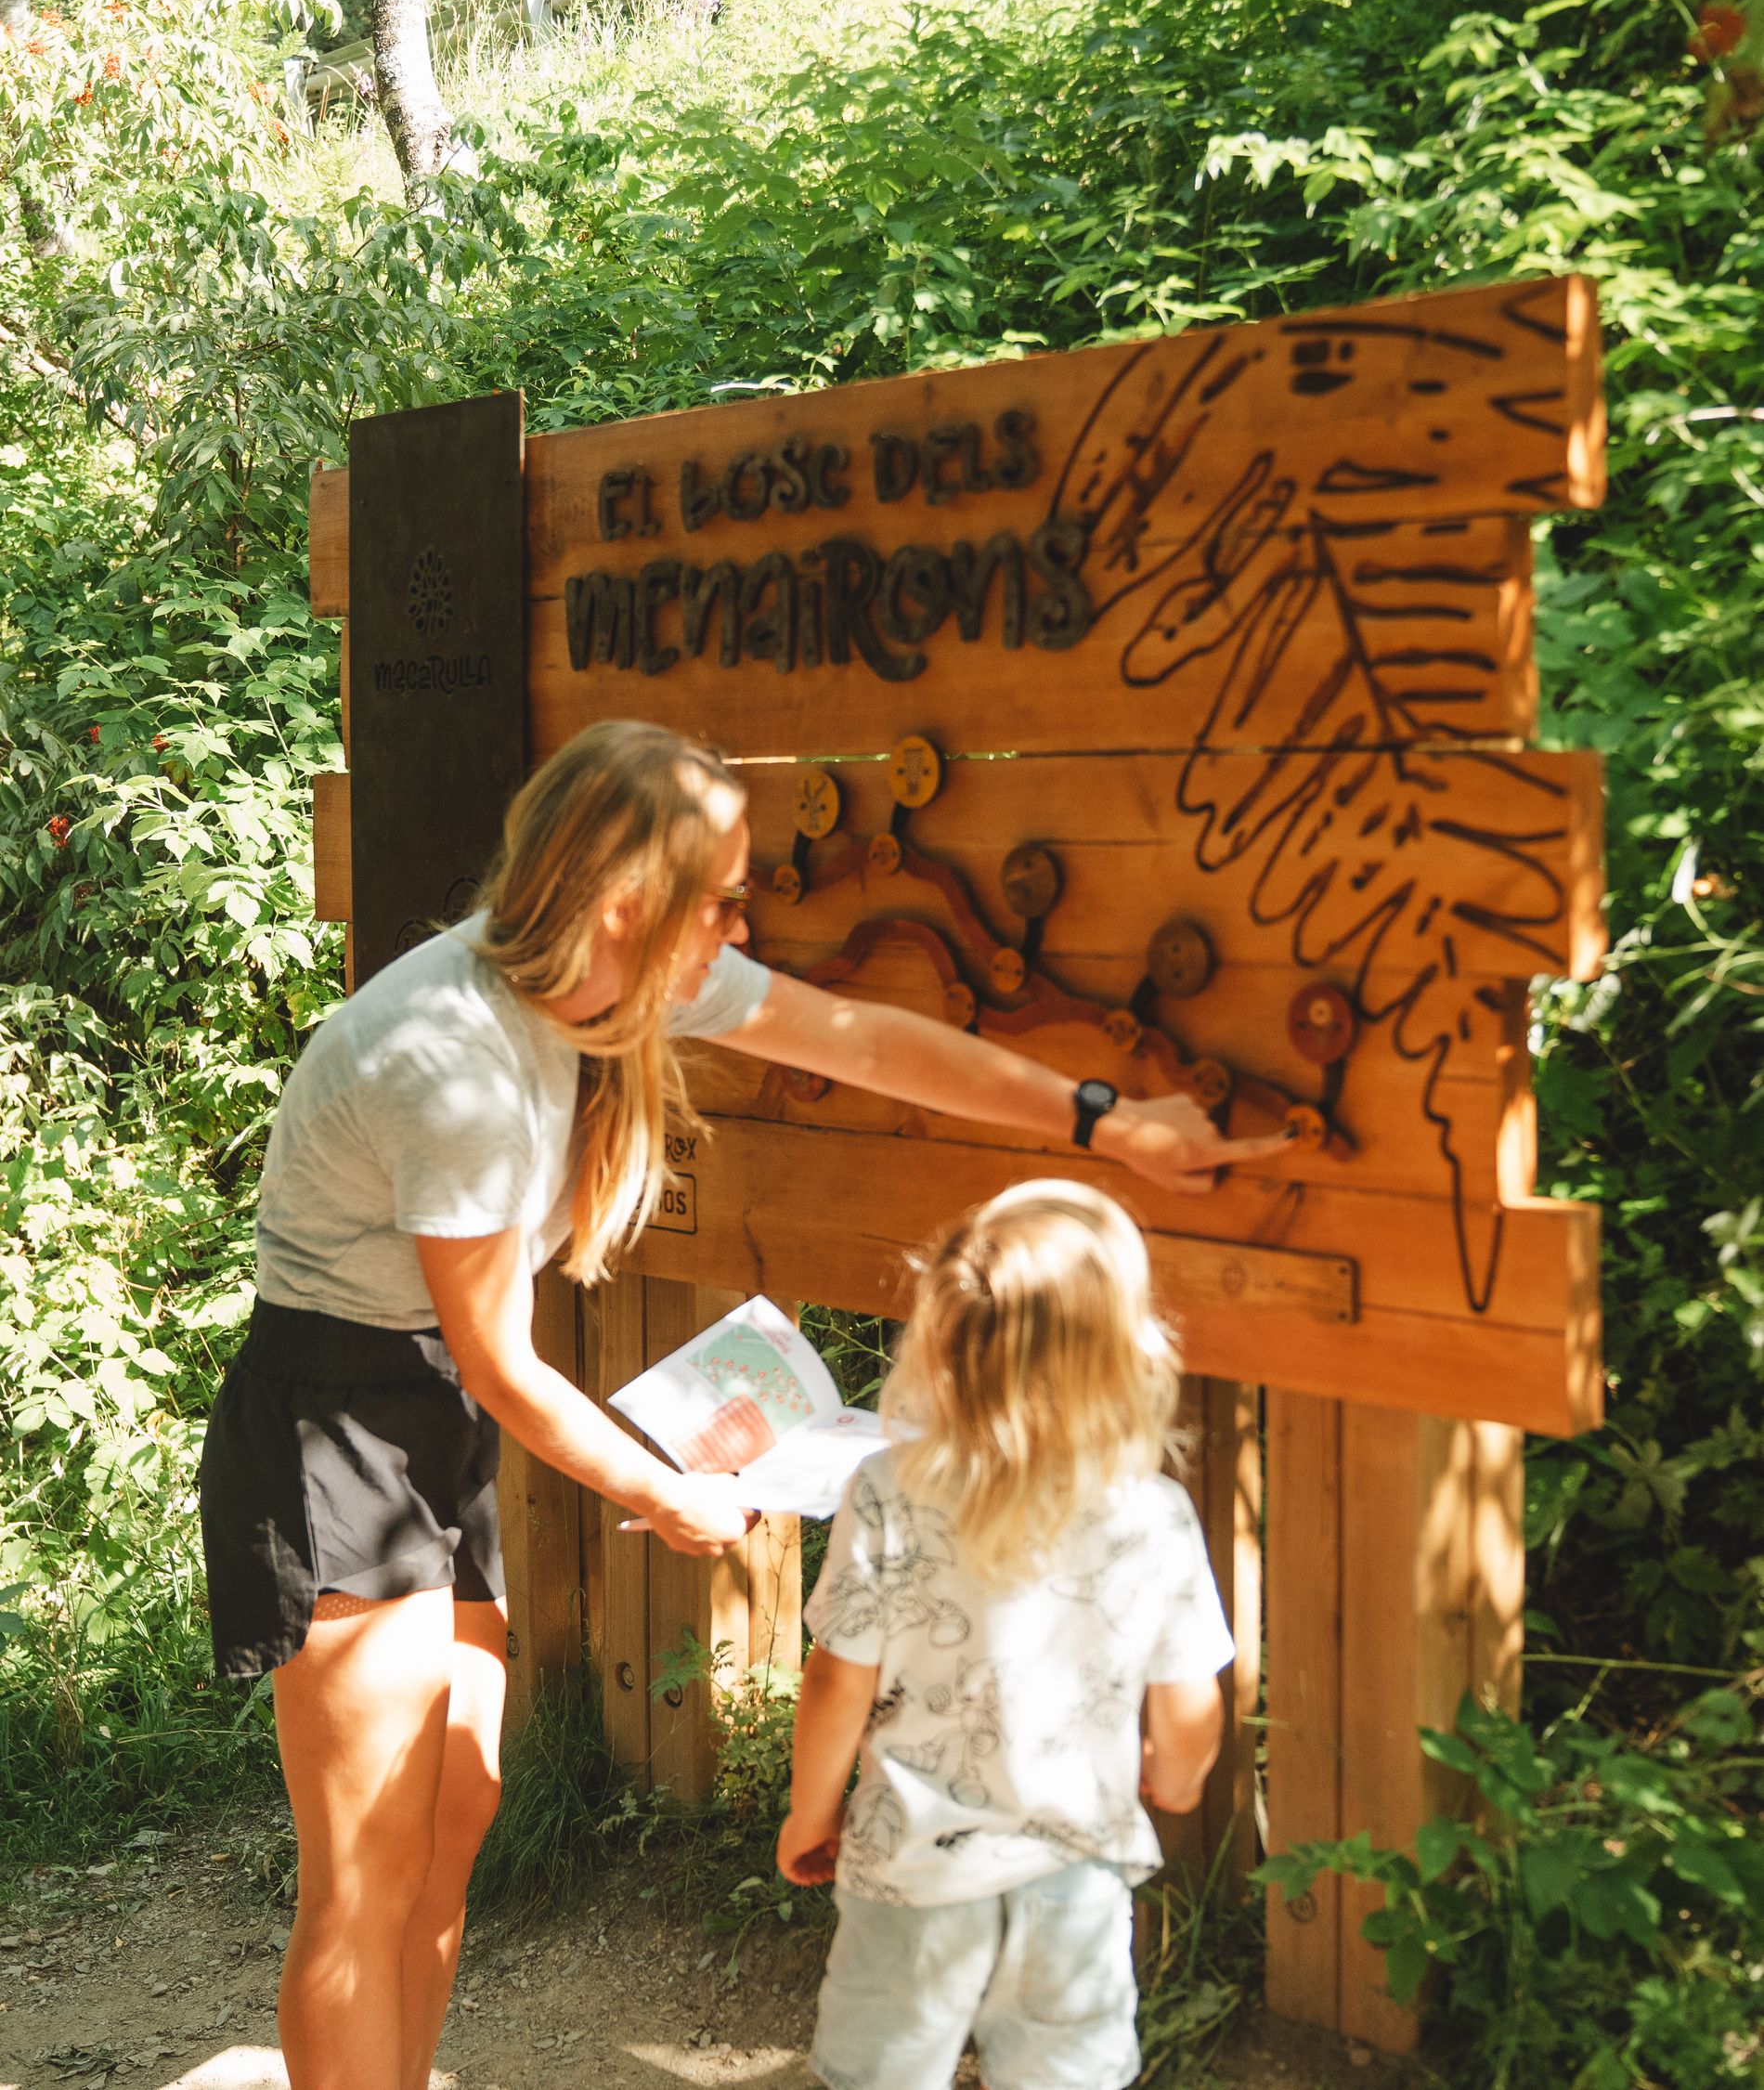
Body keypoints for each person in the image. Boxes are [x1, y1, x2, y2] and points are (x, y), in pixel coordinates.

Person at [199, 720, 1279, 2090]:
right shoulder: (450, 1058)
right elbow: (499, 1363)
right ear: (625, 906)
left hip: (418, 1412)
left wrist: (1101, 1118)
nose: (742, 920)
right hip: (335, 1427)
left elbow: (872, 1040)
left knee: (452, 1817)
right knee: (364, 1868)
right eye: (723, 897)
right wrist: (667, 1489)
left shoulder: (619, 982)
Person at [777, 1178, 1234, 2090]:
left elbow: (837, 1683)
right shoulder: (1152, 1513)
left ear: (939, 1340)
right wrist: (1174, 1777)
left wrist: (810, 1813)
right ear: (1122, 1354)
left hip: (909, 1865)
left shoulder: (887, 1488)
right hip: (1075, 1870)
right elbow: (1190, 1704)